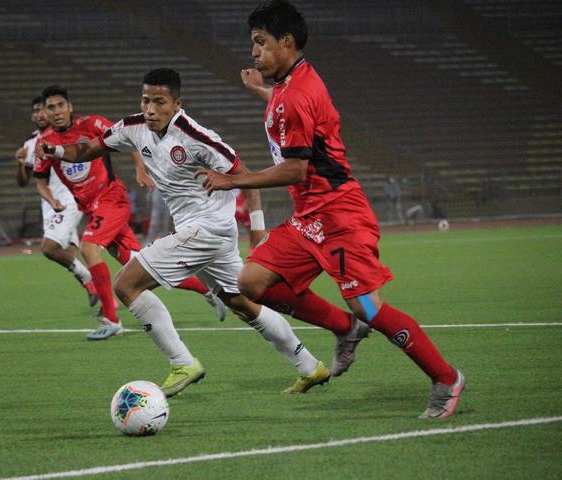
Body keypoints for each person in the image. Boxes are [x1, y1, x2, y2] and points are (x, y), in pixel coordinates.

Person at [197, 0, 465, 419]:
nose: (254, 51)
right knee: (251, 282)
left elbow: (295, 169)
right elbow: (289, 111)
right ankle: (344, 328)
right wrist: (261, 91)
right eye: (253, 42)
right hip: (310, 217)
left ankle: (445, 378)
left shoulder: (295, 94)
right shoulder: (291, 84)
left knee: (369, 307)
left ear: (286, 41)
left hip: (340, 216)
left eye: (260, 42)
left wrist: (233, 181)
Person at [39, 68, 332, 397]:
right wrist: (57, 152)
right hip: (203, 232)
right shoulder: (133, 128)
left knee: (126, 283)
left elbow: (247, 178)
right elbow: (85, 150)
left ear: (177, 104)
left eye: (159, 102)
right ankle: (310, 366)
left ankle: (182, 363)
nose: (150, 109)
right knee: (242, 304)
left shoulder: (195, 136)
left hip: (208, 228)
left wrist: (257, 232)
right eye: (146, 100)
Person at [33, 85, 226, 341]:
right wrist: (52, 199)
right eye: (51, 107)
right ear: (45, 112)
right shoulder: (44, 143)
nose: (56, 111)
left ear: (69, 106)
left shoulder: (91, 124)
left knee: (88, 248)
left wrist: (140, 168)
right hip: (91, 208)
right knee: (140, 266)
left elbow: (128, 138)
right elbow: (40, 179)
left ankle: (111, 320)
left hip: (111, 198)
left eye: (60, 105)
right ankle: (208, 289)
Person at [16, 96, 99, 310]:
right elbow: (24, 181)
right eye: (35, 111)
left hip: (69, 198)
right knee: (68, 251)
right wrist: (20, 164)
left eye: (43, 109)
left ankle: (93, 283)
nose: (40, 114)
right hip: (49, 203)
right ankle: (97, 290)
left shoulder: (63, 134)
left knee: (50, 247)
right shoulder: (30, 143)